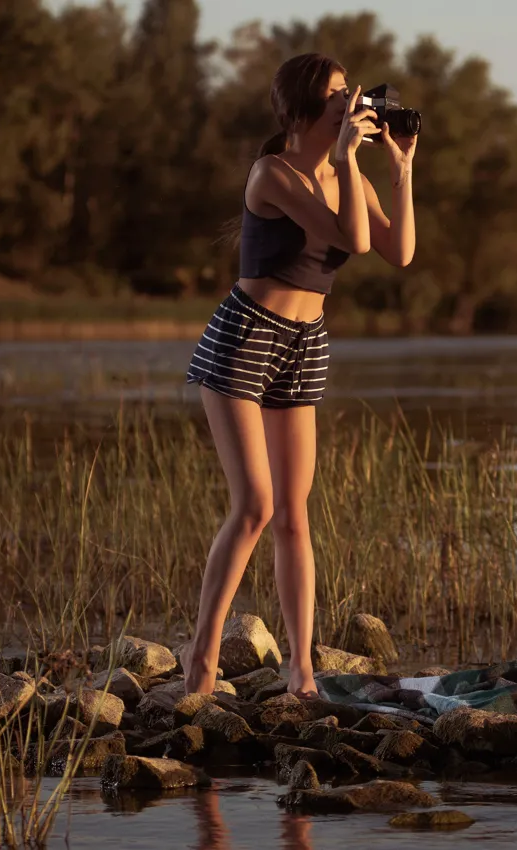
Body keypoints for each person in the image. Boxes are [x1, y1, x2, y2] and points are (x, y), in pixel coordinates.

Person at [182, 53, 417, 698]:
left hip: (305, 342)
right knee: (254, 506)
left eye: (351, 90)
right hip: (246, 335)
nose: (352, 100)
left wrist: (399, 169)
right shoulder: (273, 174)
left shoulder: (352, 174)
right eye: (338, 92)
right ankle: (200, 662)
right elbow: (355, 242)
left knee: (294, 516)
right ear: (302, 109)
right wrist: (344, 161)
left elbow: (400, 251)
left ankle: (302, 669)